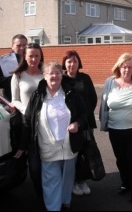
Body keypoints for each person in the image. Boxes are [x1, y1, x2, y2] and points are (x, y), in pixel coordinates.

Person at [22, 61, 86, 211]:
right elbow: (27, 119)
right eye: (51, 73)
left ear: (62, 75)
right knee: (51, 180)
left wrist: (77, 123)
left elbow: (84, 114)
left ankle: (65, 201)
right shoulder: (37, 95)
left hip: (69, 145)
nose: (55, 76)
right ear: (44, 76)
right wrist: (22, 145)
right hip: (48, 146)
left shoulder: (71, 93)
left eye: (58, 73)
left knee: (67, 177)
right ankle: (53, 207)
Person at [99, 52, 132, 203]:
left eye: (130, 67)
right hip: (115, 129)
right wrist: (104, 122)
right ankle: (125, 183)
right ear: (119, 67)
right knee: (121, 159)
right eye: (124, 67)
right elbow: (104, 105)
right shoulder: (109, 82)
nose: (127, 70)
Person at [62, 50, 98, 196]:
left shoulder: (85, 78)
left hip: (85, 122)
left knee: (85, 153)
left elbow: (93, 98)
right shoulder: (62, 80)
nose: (72, 64)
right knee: (72, 154)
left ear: (79, 63)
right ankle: (73, 181)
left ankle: (82, 180)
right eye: (69, 61)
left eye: (75, 61)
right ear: (64, 63)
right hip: (69, 124)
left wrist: (86, 114)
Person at [0, 34, 27, 101]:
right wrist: (14, 78)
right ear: (12, 46)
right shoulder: (5, 60)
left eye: (24, 45)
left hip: (28, 101)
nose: (22, 48)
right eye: (18, 46)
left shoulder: (31, 60)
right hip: (11, 100)